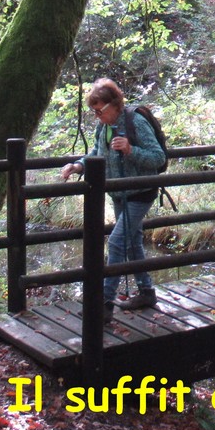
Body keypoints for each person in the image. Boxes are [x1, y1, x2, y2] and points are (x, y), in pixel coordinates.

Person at [60, 78, 167, 322]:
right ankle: (147, 292)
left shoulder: (135, 122)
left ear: (114, 104)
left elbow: (158, 157)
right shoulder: (103, 127)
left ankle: (104, 303)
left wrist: (131, 150)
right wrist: (78, 165)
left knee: (117, 242)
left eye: (100, 111)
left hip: (140, 192)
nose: (97, 116)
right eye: (94, 111)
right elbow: (96, 154)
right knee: (131, 244)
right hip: (118, 195)